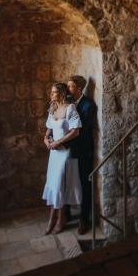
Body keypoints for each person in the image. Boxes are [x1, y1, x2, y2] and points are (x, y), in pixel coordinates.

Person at [42, 82, 82, 235]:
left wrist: (58, 141)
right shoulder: (53, 108)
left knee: (60, 185)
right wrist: (46, 139)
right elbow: (49, 129)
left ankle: (61, 219)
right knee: (53, 185)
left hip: (65, 152)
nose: (51, 95)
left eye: (54, 92)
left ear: (61, 93)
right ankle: (52, 219)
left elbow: (76, 131)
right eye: (51, 92)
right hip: (54, 154)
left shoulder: (70, 108)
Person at [64, 75, 95, 235]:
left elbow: (82, 132)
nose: (67, 89)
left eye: (70, 86)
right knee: (66, 181)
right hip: (67, 149)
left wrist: (64, 143)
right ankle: (66, 213)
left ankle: (84, 218)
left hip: (82, 149)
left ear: (78, 89)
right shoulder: (67, 101)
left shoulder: (88, 106)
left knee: (84, 182)